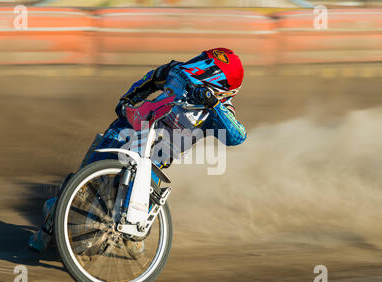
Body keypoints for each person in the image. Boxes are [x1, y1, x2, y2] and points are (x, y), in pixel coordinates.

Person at [28, 48, 248, 253]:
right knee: (84, 182)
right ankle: (52, 222)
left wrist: (213, 104)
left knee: (135, 227)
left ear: (224, 91)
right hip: (132, 128)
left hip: (157, 156)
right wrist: (128, 100)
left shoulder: (222, 110)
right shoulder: (177, 70)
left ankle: (133, 239)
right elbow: (151, 79)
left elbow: (237, 136)